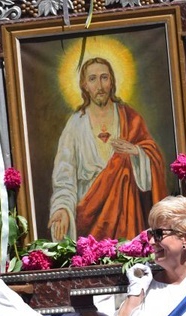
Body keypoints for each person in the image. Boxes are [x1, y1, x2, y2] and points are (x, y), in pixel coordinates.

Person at [48, 57, 168, 242]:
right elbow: (65, 175)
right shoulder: (75, 125)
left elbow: (154, 159)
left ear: (112, 81)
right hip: (89, 214)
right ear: (84, 85)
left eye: (104, 77)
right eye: (92, 79)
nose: (100, 85)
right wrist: (62, 208)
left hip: (127, 215)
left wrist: (137, 153)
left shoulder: (130, 118)